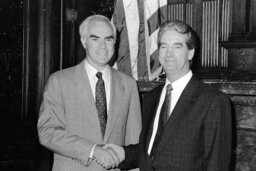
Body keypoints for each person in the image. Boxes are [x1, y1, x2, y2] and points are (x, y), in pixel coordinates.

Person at [105, 21, 232, 171]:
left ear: (191, 53)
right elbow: (154, 150)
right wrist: (124, 153)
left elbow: (217, 164)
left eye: (177, 46)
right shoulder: (152, 97)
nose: (168, 53)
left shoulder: (213, 100)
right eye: (164, 46)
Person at [37, 14, 142, 171]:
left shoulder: (129, 84)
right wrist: (93, 150)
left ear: (115, 42)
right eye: (95, 39)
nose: (103, 46)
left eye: (108, 39)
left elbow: (134, 145)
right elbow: (47, 132)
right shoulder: (59, 81)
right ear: (83, 41)